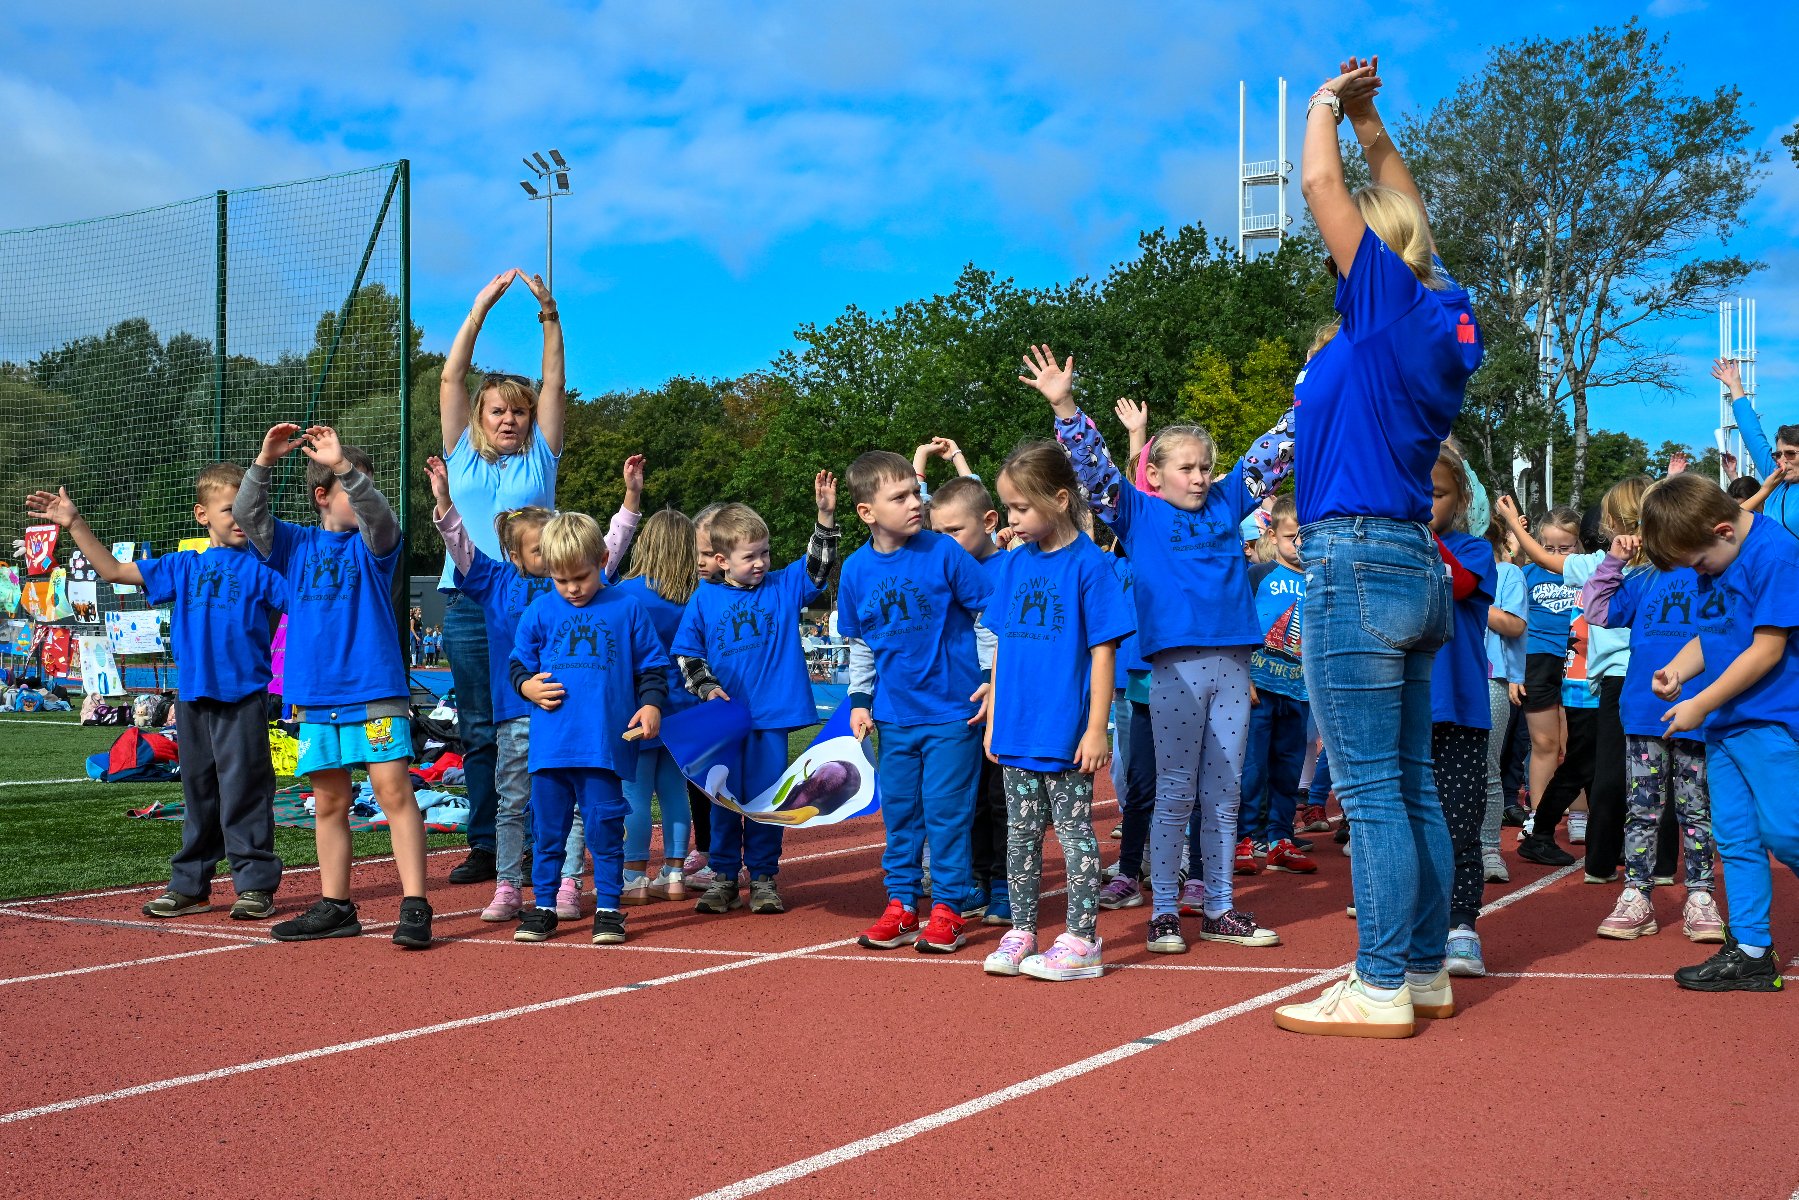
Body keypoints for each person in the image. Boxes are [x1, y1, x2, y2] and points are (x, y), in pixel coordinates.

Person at [1272, 55, 1483, 1039]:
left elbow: (1317, 188)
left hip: (1353, 560)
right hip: (1404, 559)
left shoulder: (1382, 308)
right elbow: (1394, 205)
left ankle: (1379, 981)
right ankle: (1425, 967)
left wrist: (1318, 100)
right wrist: (1367, 125)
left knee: (1369, 794)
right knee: (1406, 787)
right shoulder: (1443, 315)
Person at [1022, 343, 1291, 955]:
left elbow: (1277, 447)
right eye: (1186, 468)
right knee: (1174, 791)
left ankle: (1219, 906)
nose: (1198, 478)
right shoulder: (1136, 513)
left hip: (1232, 665)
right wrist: (1064, 404)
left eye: (1205, 467)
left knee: (1224, 795)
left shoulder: (1228, 501)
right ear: (1156, 474)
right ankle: (1164, 911)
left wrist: (1321, 375)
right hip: (1172, 669)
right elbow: (1091, 469)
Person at [28, 470, 288, 920]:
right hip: (192, 699)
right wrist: (74, 524)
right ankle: (191, 885)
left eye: (250, 509)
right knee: (198, 792)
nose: (241, 518)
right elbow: (111, 570)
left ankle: (255, 884)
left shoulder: (264, 569)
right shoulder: (182, 565)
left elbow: (302, 609)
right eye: (230, 510)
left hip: (243, 698)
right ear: (202, 515)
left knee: (245, 790)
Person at [236, 424, 432, 947]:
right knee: (329, 801)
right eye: (350, 484)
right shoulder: (292, 544)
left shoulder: (375, 548)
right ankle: (337, 906)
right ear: (322, 497)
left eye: (366, 481)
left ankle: (415, 904)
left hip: (373, 690)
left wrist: (346, 467)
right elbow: (246, 515)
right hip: (316, 697)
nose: (365, 493)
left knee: (394, 793)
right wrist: (264, 461)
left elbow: (381, 518)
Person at [979, 442, 1134, 980]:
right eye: (1009, 508)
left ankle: (1083, 939)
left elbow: (1103, 652)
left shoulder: (1091, 566)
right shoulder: (1013, 565)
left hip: (1065, 730)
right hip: (1016, 728)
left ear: (1060, 499)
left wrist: (1096, 728)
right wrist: (995, 714)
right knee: (1019, 835)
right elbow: (1000, 645)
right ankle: (1022, 930)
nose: (1013, 520)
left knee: (1073, 835)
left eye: (1021, 508)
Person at [1637, 473, 1799, 990]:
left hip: (1774, 721)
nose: (1698, 572)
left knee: (1787, 832)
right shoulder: (1715, 558)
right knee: (1736, 839)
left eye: (1699, 563)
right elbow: (1712, 635)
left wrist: (1698, 702)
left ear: (1724, 530)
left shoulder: (1774, 555)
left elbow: (1766, 648)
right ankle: (1751, 950)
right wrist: (1679, 671)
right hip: (1726, 724)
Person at [439, 268, 569, 889]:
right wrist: (478, 309)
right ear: (480, 417)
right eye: (498, 411)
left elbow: (554, 381)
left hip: (537, 603)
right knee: (480, 727)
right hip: (469, 601)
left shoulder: (542, 454)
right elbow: (450, 376)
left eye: (518, 410)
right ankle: (490, 844)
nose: (510, 419)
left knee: (544, 717)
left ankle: (549, 842)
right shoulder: (460, 451)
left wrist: (548, 315)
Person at [840, 452, 994, 953]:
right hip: (894, 718)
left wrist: (993, 678)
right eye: (900, 496)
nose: (915, 503)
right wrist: (860, 699)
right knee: (901, 815)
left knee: (948, 814)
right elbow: (860, 642)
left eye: (916, 492)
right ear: (867, 512)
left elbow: (988, 610)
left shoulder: (944, 553)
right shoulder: (855, 570)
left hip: (953, 713)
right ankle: (902, 904)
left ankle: (948, 908)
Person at [673, 477, 841, 916]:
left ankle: (764, 877)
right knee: (725, 799)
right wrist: (707, 687)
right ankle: (725, 876)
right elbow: (687, 654)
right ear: (721, 560)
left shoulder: (782, 587)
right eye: (751, 557)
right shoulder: (704, 599)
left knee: (768, 800)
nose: (762, 563)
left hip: (771, 717)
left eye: (765, 552)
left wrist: (825, 519)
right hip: (726, 722)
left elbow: (817, 571)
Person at [509, 512, 667, 944]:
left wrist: (651, 705)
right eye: (561, 580)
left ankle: (610, 908)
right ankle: (543, 907)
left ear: (602, 560)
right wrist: (526, 686)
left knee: (604, 830)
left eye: (580, 577)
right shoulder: (539, 611)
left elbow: (653, 668)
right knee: (547, 832)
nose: (572, 589)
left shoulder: (627, 607)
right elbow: (517, 664)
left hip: (602, 747)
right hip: (551, 749)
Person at [1580, 526, 1723, 942]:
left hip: (1699, 710)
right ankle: (1637, 895)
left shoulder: (1714, 577)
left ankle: (1700, 896)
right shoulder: (1642, 578)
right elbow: (1596, 611)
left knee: (1695, 811)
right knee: (1642, 810)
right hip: (1645, 712)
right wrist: (1613, 561)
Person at [427, 455, 554, 923]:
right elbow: (462, 548)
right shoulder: (496, 579)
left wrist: (630, 502)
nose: (548, 557)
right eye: (538, 549)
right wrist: (444, 501)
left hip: (562, 713)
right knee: (513, 799)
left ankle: (556, 878)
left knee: (559, 799)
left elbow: (609, 550)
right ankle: (507, 884)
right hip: (514, 712)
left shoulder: (569, 582)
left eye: (553, 547)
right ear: (515, 554)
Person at [920, 474, 1009, 920]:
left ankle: (1005, 885)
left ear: (989, 521)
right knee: (964, 799)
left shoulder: (1010, 568)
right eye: (939, 533)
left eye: (955, 531)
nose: (946, 543)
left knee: (1001, 798)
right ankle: (974, 879)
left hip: (1004, 702)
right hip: (956, 705)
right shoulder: (939, 570)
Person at [1426, 443, 1498, 975]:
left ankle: (1461, 925)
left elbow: (1464, 585)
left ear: (1460, 498)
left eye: (1435, 493)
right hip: (1399, 710)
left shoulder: (1473, 550)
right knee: (1398, 822)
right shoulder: (1382, 552)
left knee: (1459, 823)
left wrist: (1413, 527)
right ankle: (1409, 922)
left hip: (1460, 709)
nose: (1423, 500)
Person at [612, 510, 701, 904]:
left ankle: (633, 875)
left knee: (634, 791)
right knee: (674, 791)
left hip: (640, 704)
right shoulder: (697, 594)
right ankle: (675, 872)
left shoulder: (626, 593)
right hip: (685, 708)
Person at [1494, 501, 1584, 864]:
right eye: (1549, 547)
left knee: (1577, 742)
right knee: (1544, 742)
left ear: (1579, 547)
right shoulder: (1527, 574)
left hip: (1579, 660)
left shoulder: (1587, 572)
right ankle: (1539, 815)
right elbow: (1513, 627)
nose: (1556, 555)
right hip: (1536, 661)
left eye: (1565, 548)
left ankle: (1579, 814)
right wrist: (1515, 674)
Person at [1237, 494, 1318, 876]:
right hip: (1260, 690)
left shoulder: (1320, 584)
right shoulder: (1259, 575)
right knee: (1252, 768)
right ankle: (1245, 836)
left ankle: (1280, 836)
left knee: (1287, 770)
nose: (1299, 545)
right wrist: (1245, 678)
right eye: (1291, 538)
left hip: (1300, 693)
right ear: (1272, 535)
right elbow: (1239, 630)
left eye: (1306, 537)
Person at [1481, 518, 1527, 884]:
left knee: (1487, 767)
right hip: (1446, 677)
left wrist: (1471, 595)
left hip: (1491, 678)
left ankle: (1489, 848)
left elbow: (1514, 625)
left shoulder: (1507, 574)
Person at [1714, 358, 1799, 538]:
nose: (1782, 460)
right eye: (1777, 454)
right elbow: (1752, 434)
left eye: (1790, 454)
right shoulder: (1775, 478)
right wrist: (1735, 386)